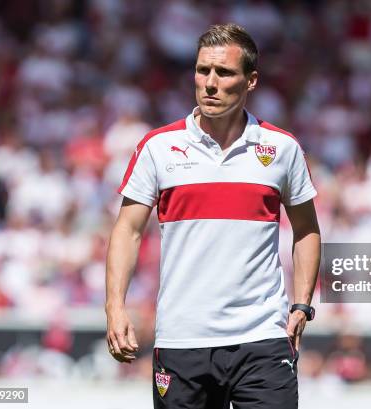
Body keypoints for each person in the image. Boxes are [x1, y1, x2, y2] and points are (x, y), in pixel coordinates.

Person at [105, 23, 321, 409]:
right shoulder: (158, 147)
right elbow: (128, 231)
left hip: (263, 339)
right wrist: (115, 306)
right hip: (182, 339)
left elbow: (306, 230)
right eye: (203, 70)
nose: (210, 82)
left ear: (250, 81)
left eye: (224, 73)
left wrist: (302, 305)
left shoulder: (282, 148)